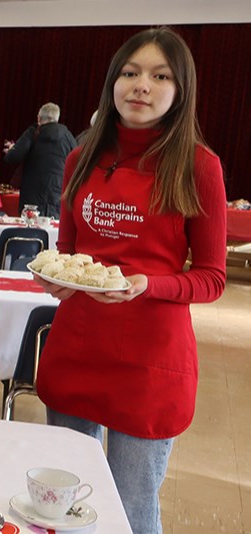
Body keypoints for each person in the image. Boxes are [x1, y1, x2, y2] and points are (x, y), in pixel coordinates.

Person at [33, 28, 226, 534]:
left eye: (160, 76)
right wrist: (59, 281)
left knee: (130, 511)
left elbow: (211, 278)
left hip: (149, 361)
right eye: (130, 72)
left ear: (181, 89)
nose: (142, 86)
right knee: (59, 502)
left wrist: (149, 284)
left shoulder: (199, 166)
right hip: (77, 345)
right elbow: (70, 254)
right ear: (112, 83)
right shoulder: (81, 158)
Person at [3, 102, 77, 217]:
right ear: (57, 118)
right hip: (57, 191)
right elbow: (78, 161)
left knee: (30, 228)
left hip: (32, 193)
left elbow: (12, 157)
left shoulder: (33, 132)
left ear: (39, 118)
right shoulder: (67, 136)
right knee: (53, 229)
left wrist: (13, 149)